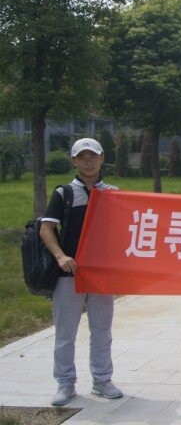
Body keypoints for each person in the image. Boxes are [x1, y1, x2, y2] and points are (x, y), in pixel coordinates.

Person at [39, 138, 123, 406]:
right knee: (66, 334)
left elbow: (124, 230)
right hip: (69, 275)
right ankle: (65, 384)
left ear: (102, 158)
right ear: (74, 161)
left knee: (102, 331)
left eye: (93, 156)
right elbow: (46, 228)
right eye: (83, 157)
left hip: (101, 275)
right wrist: (61, 256)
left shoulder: (113, 193)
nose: (89, 162)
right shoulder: (64, 193)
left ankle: (102, 380)